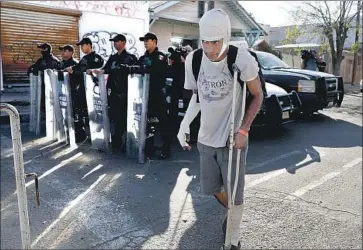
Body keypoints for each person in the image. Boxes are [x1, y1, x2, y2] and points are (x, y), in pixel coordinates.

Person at [177, 8, 263, 249]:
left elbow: (257, 95)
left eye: (215, 42)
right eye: (205, 42)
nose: (210, 49)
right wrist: (184, 123)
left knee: (235, 192)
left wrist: (244, 129)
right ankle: (233, 213)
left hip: (231, 139)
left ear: (225, 37)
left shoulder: (241, 58)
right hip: (206, 140)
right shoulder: (194, 60)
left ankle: (233, 236)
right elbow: (197, 96)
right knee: (213, 188)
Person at [92, 34, 138, 151]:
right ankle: (116, 141)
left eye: (117, 41)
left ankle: (126, 142)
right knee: (114, 117)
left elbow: (134, 75)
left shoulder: (130, 58)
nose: (114, 43)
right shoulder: (113, 57)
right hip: (113, 93)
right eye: (114, 42)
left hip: (125, 93)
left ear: (123, 42)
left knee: (124, 118)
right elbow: (106, 69)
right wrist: (98, 71)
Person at [137, 32, 171, 160]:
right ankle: (149, 148)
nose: (145, 43)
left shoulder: (160, 57)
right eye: (144, 41)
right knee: (148, 122)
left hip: (157, 94)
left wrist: (144, 68)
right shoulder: (143, 57)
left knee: (163, 123)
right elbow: (137, 68)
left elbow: (156, 71)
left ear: (154, 41)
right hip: (145, 94)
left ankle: (166, 149)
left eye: (147, 40)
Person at [65, 37, 104, 142]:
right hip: (81, 89)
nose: (81, 48)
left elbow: (93, 74)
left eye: (82, 45)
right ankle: (82, 134)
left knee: (91, 112)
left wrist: (74, 72)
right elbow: (78, 68)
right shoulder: (84, 58)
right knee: (79, 111)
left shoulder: (97, 58)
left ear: (88, 45)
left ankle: (93, 135)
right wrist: (71, 69)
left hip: (92, 90)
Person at [27, 43, 60, 113]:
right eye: (41, 49)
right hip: (41, 84)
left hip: (51, 85)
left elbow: (51, 71)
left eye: (43, 49)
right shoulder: (41, 60)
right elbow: (35, 68)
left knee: (50, 100)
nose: (41, 51)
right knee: (43, 99)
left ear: (47, 50)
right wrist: (32, 69)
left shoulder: (53, 60)